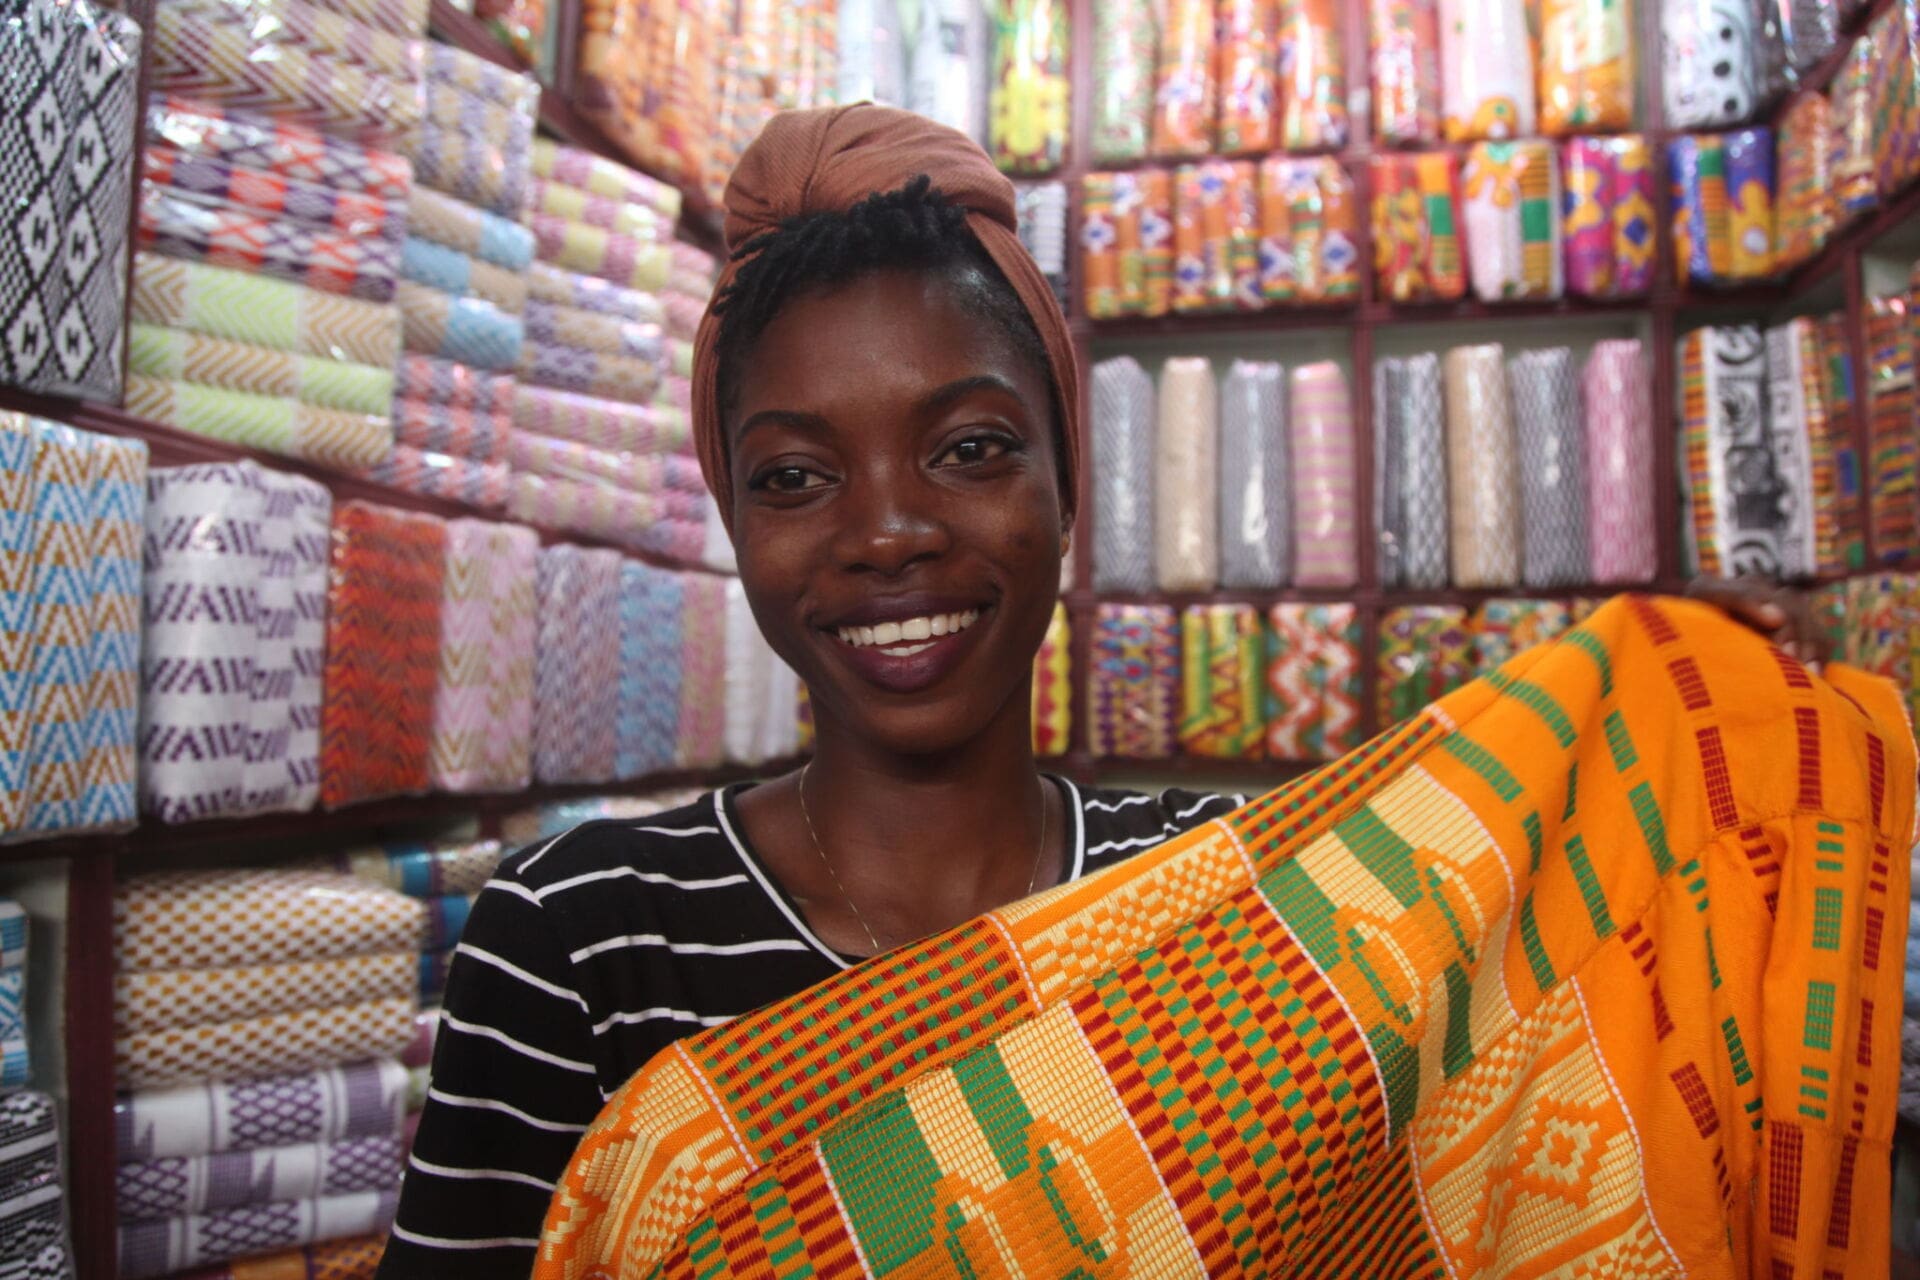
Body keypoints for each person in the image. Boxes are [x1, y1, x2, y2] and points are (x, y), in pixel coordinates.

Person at [375, 105, 1817, 1278]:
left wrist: (1711, 725)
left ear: (1070, 485)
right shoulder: (575, 942)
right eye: (797, 477)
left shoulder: (1225, 905)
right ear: (738, 521)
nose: (890, 533)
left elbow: (1493, 1147)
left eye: (972, 448)